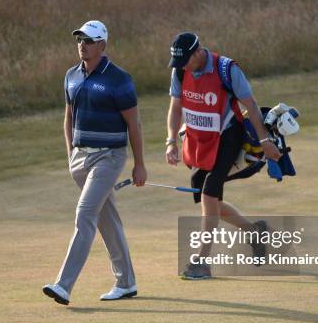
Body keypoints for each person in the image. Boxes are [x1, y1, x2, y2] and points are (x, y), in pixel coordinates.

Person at [43, 20, 147, 305]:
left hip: (109, 156)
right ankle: (126, 282)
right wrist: (70, 155)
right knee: (107, 219)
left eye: (88, 41)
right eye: (79, 40)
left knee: (85, 214)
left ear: (102, 44)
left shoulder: (118, 79)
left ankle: (63, 285)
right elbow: (69, 117)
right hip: (80, 157)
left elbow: (134, 124)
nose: (82, 45)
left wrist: (139, 164)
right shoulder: (71, 76)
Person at [165, 32, 281, 279]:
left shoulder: (226, 69)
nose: (181, 66)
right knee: (209, 200)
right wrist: (170, 141)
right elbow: (175, 108)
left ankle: (202, 262)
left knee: (209, 193)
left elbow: (250, 104)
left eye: (185, 60)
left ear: (198, 52)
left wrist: (264, 141)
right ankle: (254, 231)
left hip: (228, 138)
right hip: (199, 140)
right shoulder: (180, 70)